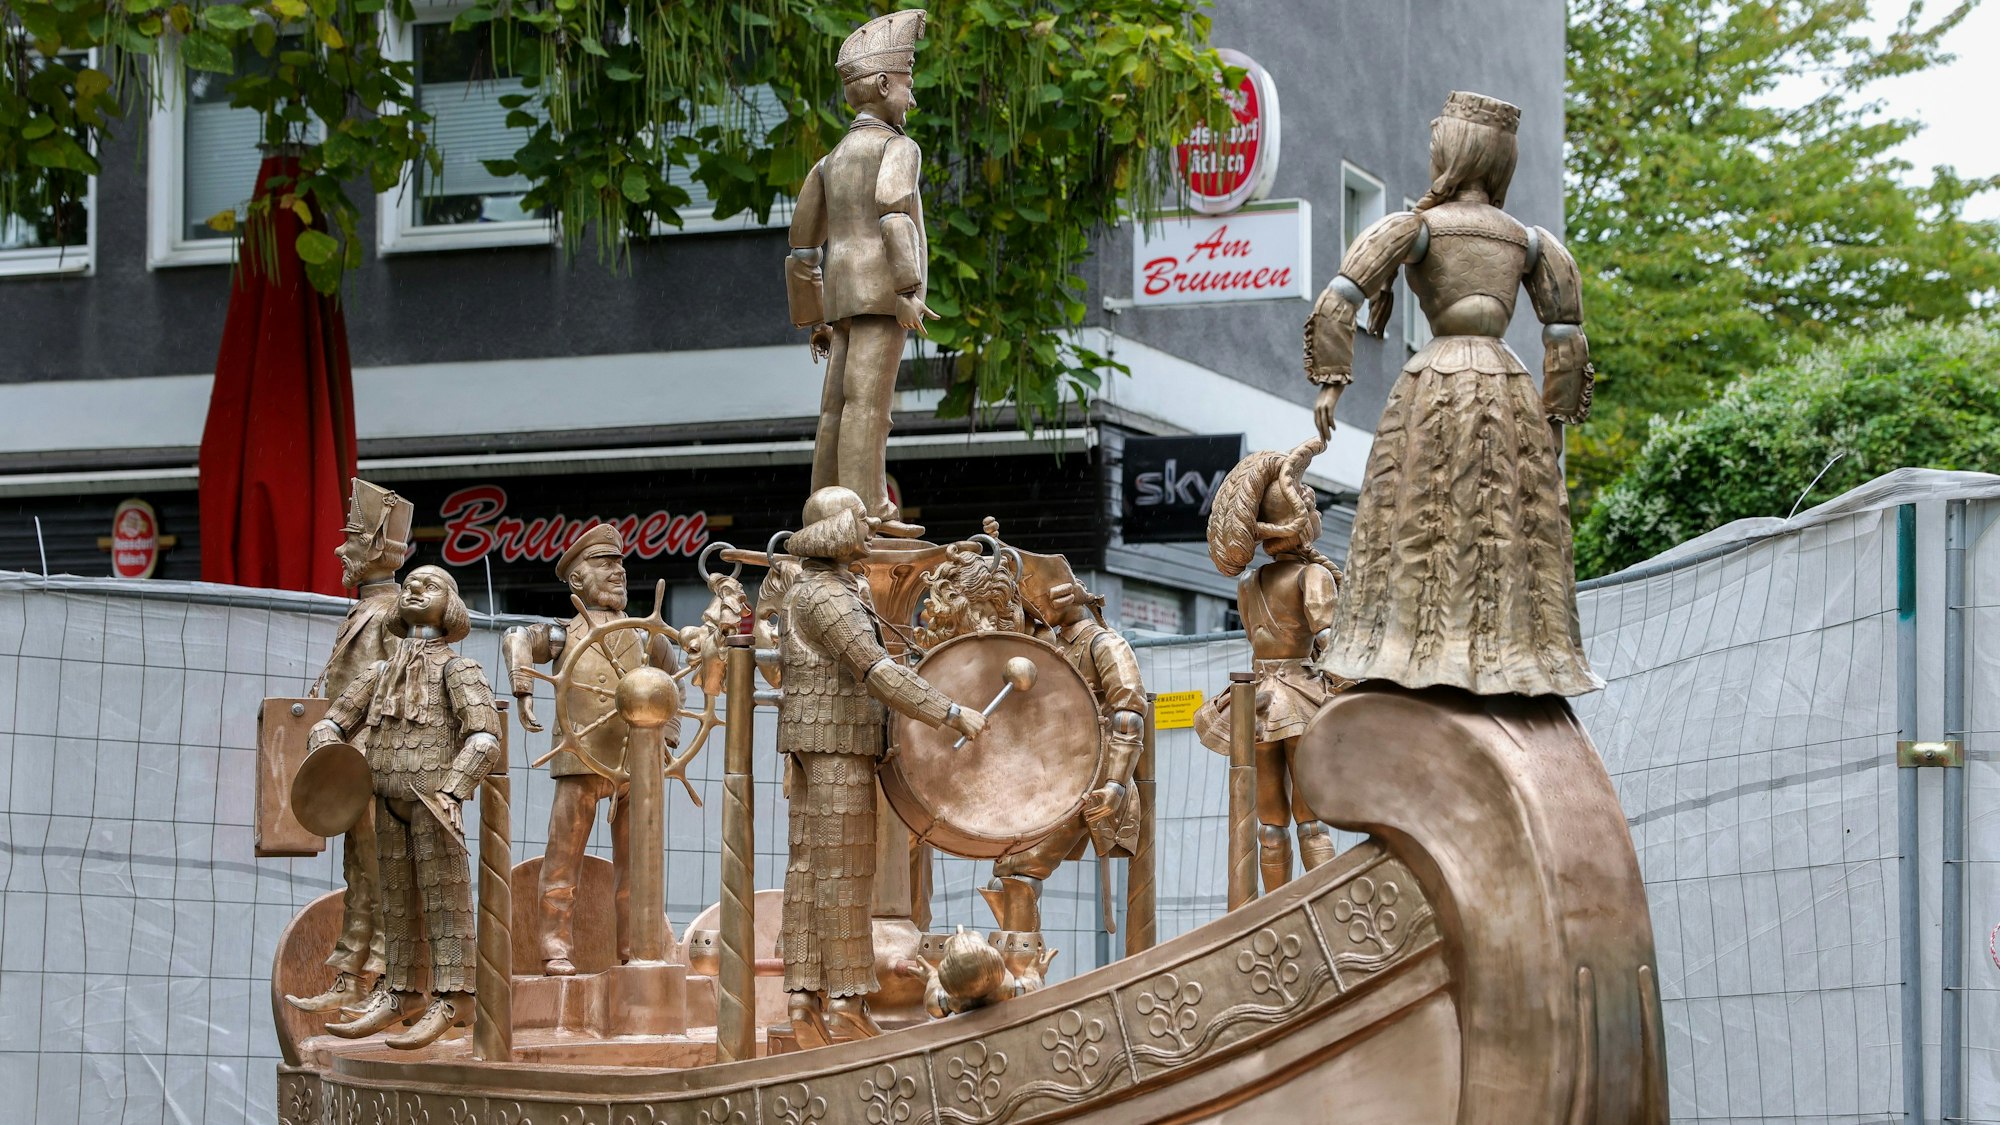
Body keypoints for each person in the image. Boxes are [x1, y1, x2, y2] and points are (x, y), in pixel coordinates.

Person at [1303, 90, 1601, 697]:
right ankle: (1511, 652)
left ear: (1454, 150)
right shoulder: (1529, 240)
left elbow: (1340, 296)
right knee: (1506, 519)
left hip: (1433, 380)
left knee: (1419, 510)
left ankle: (1414, 651)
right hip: (1508, 383)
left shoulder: (1416, 227)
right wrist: (1557, 419)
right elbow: (1566, 334)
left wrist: (1332, 382)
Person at [777, 486, 987, 1045]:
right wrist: (950, 711)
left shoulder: (824, 587)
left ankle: (803, 998)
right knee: (845, 872)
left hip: (824, 742)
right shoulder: (827, 596)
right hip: (835, 747)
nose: (870, 530)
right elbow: (875, 672)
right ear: (838, 531)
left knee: (810, 869)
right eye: (860, 522)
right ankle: (844, 1003)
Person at [312, 566, 503, 1049]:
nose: (416, 589)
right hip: (384, 798)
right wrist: (325, 744)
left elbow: (485, 737)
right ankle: (401, 993)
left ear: (452, 606)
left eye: (431, 585)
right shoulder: (377, 673)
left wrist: (453, 790)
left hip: (432, 800)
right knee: (395, 905)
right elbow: (333, 722)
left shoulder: (457, 669)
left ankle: (456, 998)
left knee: (445, 904)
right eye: (411, 584)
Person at [501, 523, 678, 976]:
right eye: (604, 564)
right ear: (577, 580)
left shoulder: (644, 636)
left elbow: (671, 681)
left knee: (638, 870)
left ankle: (636, 950)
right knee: (562, 867)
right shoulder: (562, 634)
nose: (618, 571)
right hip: (579, 762)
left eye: (619, 563)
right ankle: (554, 949)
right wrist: (523, 687)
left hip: (634, 767)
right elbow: (516, 637)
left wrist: (670, 735)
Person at [784, 9, 935, 537]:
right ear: (882, 83)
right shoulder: (899, 147)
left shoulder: (832, 159)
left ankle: (822, 505)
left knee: (834, 409)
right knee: (869, 406)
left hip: (841, 298)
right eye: (906, 85)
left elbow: (803, 244)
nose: (911, 98)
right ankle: (868, 511)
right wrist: (909, 288)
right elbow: (894, 212)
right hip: (880, 296)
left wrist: (813, 317)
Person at [284, 479, 412, 1021]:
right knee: (360, 873)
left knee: (383, 876)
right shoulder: (367, 610)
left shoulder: (394, 614)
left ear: (379, 548)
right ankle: (349, 975)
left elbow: (405, 691)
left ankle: (386, 981)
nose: (340, 549)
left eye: (353, 537)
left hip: (377, 765)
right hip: (354, 766)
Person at [1192, 438, 1343, 891]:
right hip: (1299, 695)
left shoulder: (1248, 583)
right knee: (1311, 818)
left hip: (1257, 699)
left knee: (1269, 820)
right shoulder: (1313, 576)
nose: (1317, 518)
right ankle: (1322, 900)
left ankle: (1274, 909)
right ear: (1299, 524)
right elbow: (1328, 639)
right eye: (1313, 510)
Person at [984, 554, 1145, 934]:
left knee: (1018, 875)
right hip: (1049, 775)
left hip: (1090, 778)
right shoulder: (1046, 644)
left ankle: (1021, 973)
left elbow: (1129, 713)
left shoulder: (1106, 644)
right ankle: (1021, 964)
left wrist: (1116, 785)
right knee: (1003, 876)